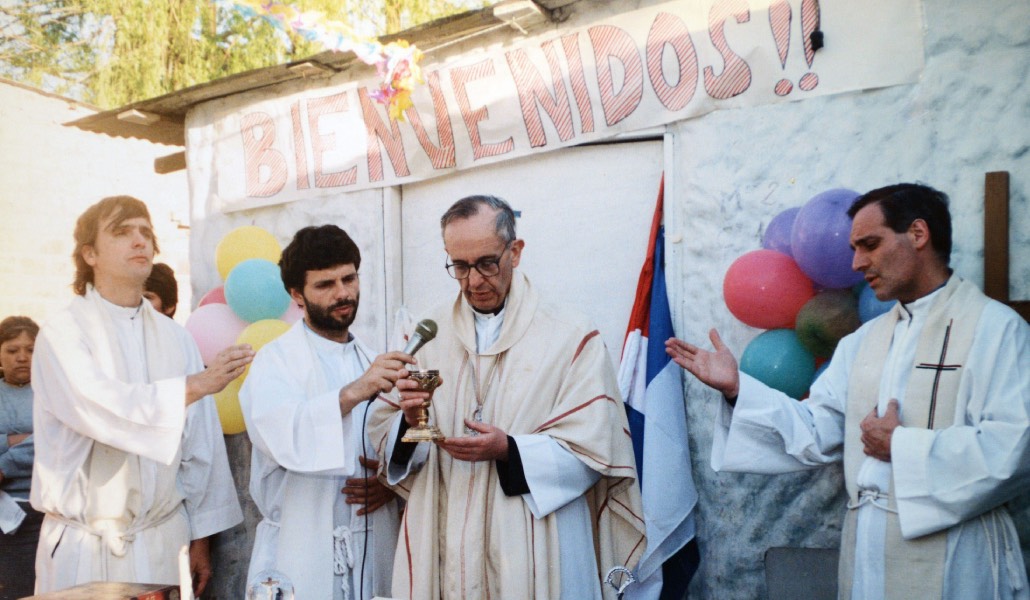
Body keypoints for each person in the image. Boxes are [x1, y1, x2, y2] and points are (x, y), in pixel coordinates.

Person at [666, 183, 1030, 599]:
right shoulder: (864, 341)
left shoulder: (995, 329)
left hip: (958, 556)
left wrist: (901, 447)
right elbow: (816, 430)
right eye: (855, 249)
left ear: (918, 234)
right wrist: (738, 389)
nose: (856, 263)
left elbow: (1015, 447)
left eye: (870, 245)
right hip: (868, 548)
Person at [368, 195, 646, 599]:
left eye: (487, 263)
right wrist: (412, 424)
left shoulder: (569, 335)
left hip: (534, 538)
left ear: (515, 252)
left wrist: (511, 450)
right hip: (445, 534)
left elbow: (596, 449)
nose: (473, 281)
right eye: (460, 266)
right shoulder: (428, 334)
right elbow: (390, 441)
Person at [30, 195, 252, 597]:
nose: (140, 241)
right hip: (86, 545)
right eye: (122, 232)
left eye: (146, 232)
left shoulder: (176, 338)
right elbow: (101, 409)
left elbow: (200, 443)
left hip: (162, 539)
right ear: (90, 254)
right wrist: (195, 385)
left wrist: (201, 540)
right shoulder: (63, 333)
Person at [240, 224, 407, 599]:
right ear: (296, 295)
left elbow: (402, 444)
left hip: (374, 539)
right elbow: (281, 435)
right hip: (299, 546)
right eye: (325, 284)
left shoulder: (371, 358)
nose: (343, 293)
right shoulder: (275, 361)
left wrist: (391, 483)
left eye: (349, 278)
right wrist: (352, 393)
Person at [0, 316, 41, 600]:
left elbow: (54, 440)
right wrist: (15, 439)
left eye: (31, 350)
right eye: (12, 350)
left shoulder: (53, 394)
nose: (22, 358)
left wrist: (5, 464)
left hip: (41, 511)